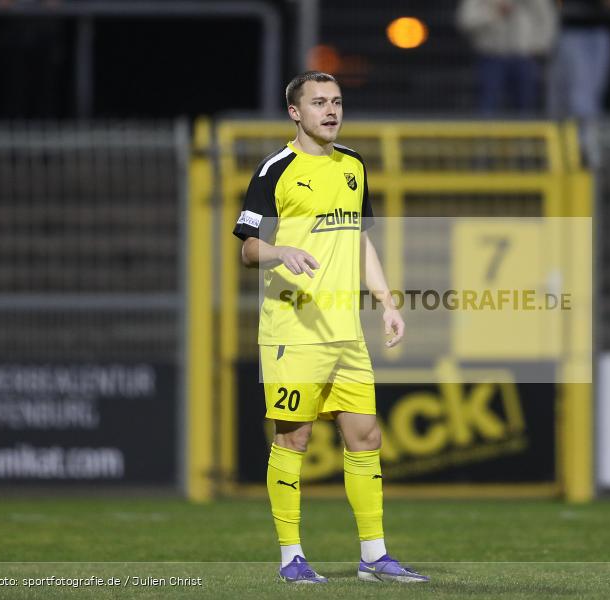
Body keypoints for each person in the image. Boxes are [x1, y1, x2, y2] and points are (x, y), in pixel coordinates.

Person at [233, 71, 428, 584]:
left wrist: (387, 302)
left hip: (346, 331)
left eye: (336, 101)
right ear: (295, 112)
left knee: (366, 438)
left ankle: (373, 556)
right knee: (293, 440)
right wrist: (281, 250)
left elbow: (361, 242)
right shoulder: (276, 169)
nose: (331, 110)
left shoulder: (354, 165)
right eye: (318, 102)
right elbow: (248, 249)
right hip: (292, 330)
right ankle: (291, 558)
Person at [456, 0, 558, 115]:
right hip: (491, 56)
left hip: (525, 57)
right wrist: (493, 14)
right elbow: (465, 20)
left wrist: (539, 47)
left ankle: (524, 133)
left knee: (526, 108)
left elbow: (547, 19)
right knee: (488, 107)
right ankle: (486, 133)